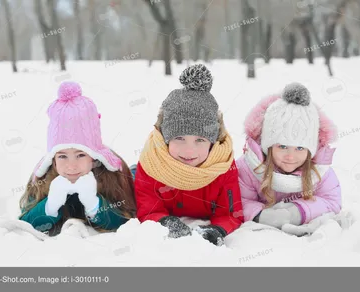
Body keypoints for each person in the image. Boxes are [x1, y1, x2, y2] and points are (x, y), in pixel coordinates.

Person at [134, 64, 243, 246]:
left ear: (213, 141)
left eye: (200, 140)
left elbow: (230, 213)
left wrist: (217, 230)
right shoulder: (151, 163)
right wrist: (166, 222)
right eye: (179, 138)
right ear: (165, 138)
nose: (189, 151)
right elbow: (148, 208)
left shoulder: (223, 166)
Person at [19, 82, 136, 236]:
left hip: (131, 174)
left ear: (94, 157)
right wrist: (49, 206)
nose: (71, 166)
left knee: (136, 174)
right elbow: (24, 224)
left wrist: (95, 205)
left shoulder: (112, 174)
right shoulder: (43, 177)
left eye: (81, 155)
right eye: (62, 156)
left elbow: (127, 219)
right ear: (53, 160)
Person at [237, 82, 341, 230]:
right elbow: (239, 201)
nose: (290, 157)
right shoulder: (249, 167)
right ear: (268, 146)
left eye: (300, 148)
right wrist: (262, 215)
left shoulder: (319, 171)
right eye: (283, 146)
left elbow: (331, 201)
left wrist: (296, 213)